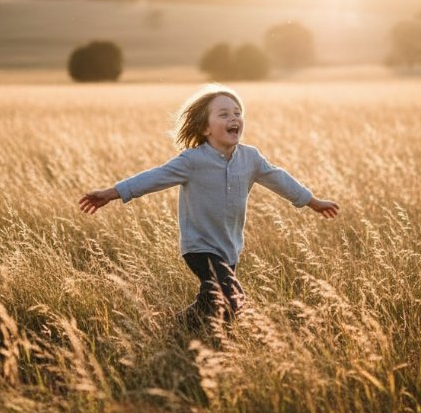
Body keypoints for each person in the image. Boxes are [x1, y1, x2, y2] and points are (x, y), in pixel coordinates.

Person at [79, 84, 339, 327]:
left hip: (230, 247)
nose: (233, 118)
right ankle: (218, 339)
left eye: (237, 113)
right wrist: (111, 193)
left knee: (214, 303)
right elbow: (153, 178)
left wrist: (312, 201)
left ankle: (179, 327)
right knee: (234, 299)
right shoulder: (192, 161)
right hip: (199, 246)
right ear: (205, 128)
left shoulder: (251, 158)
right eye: (224, 114)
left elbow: (280, 179)